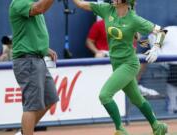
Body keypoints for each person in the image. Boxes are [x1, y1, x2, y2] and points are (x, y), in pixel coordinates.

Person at [72, 0, 168, 135]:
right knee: (137, 99)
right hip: (116, 63)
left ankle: (120, 130)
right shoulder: (106, 9)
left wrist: (156, 48)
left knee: (105, 95)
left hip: (129, 64)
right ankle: (158, 127)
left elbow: (162, 32)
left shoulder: (134, 19)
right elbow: (82, 4)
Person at [9, 0, 59, 135]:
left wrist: (44, 48)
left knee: (51, 98)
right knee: (31, 106)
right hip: (27, 61)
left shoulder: (30, 3)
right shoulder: (19, 2)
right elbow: (40, 8)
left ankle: (23, 132)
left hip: (37, 59)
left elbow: (30, 30)